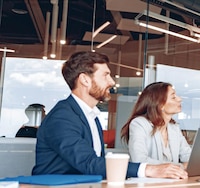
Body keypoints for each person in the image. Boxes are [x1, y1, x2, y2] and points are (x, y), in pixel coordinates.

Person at [32, 51, 188, 179]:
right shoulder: (62, 117)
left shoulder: (91, 116)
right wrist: (150, 170)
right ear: (85, 80)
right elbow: (89, 163)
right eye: (105, 75)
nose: (112, 82)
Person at [120, 82, 200, 170]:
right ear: (160, 104)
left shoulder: (173, 128)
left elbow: (189, 157)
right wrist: (181, 166)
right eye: (173, 96)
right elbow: (139, 160)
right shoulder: (139, 124)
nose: (180, 99)